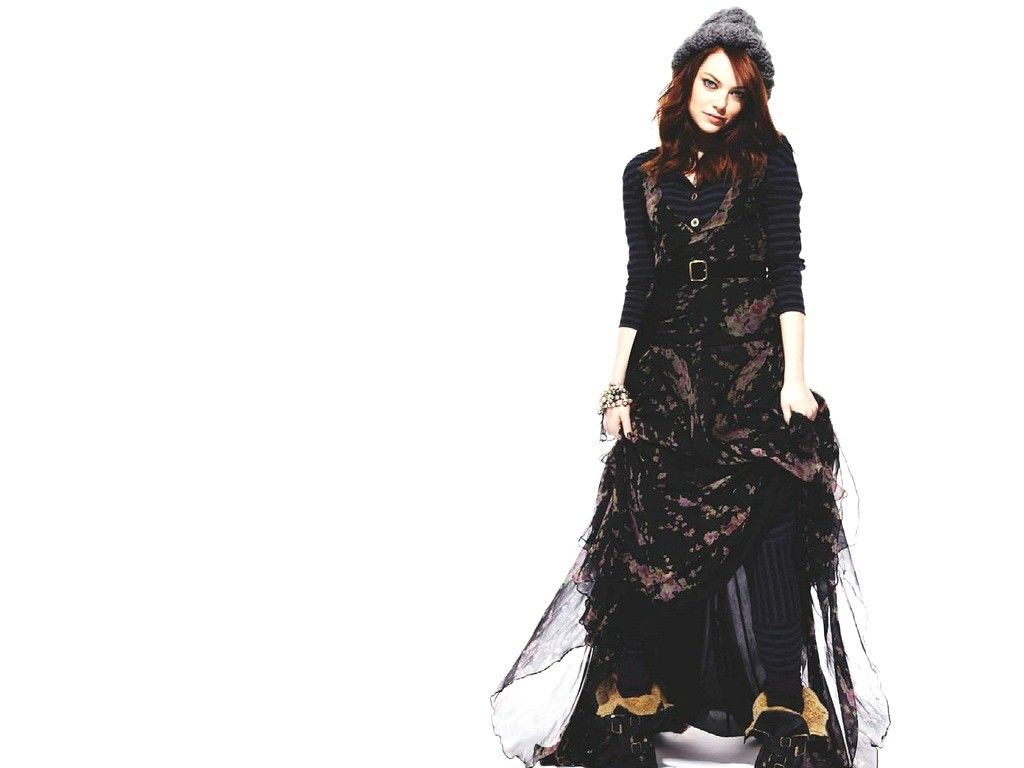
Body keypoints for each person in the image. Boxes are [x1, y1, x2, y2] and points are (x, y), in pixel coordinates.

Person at [490, 8, 891, 768]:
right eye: (711, 83)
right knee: (645, 528)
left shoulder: (770, 162)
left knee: (773, 521)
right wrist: (614, 388)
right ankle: (634, 703)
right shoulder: (642, 176)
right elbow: (639, 285)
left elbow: (788, 272)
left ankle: (783, 709)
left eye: (738, 91)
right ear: (685, 82)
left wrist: (795, 379)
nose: (721, 102)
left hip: (750, 372)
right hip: (668, 377)